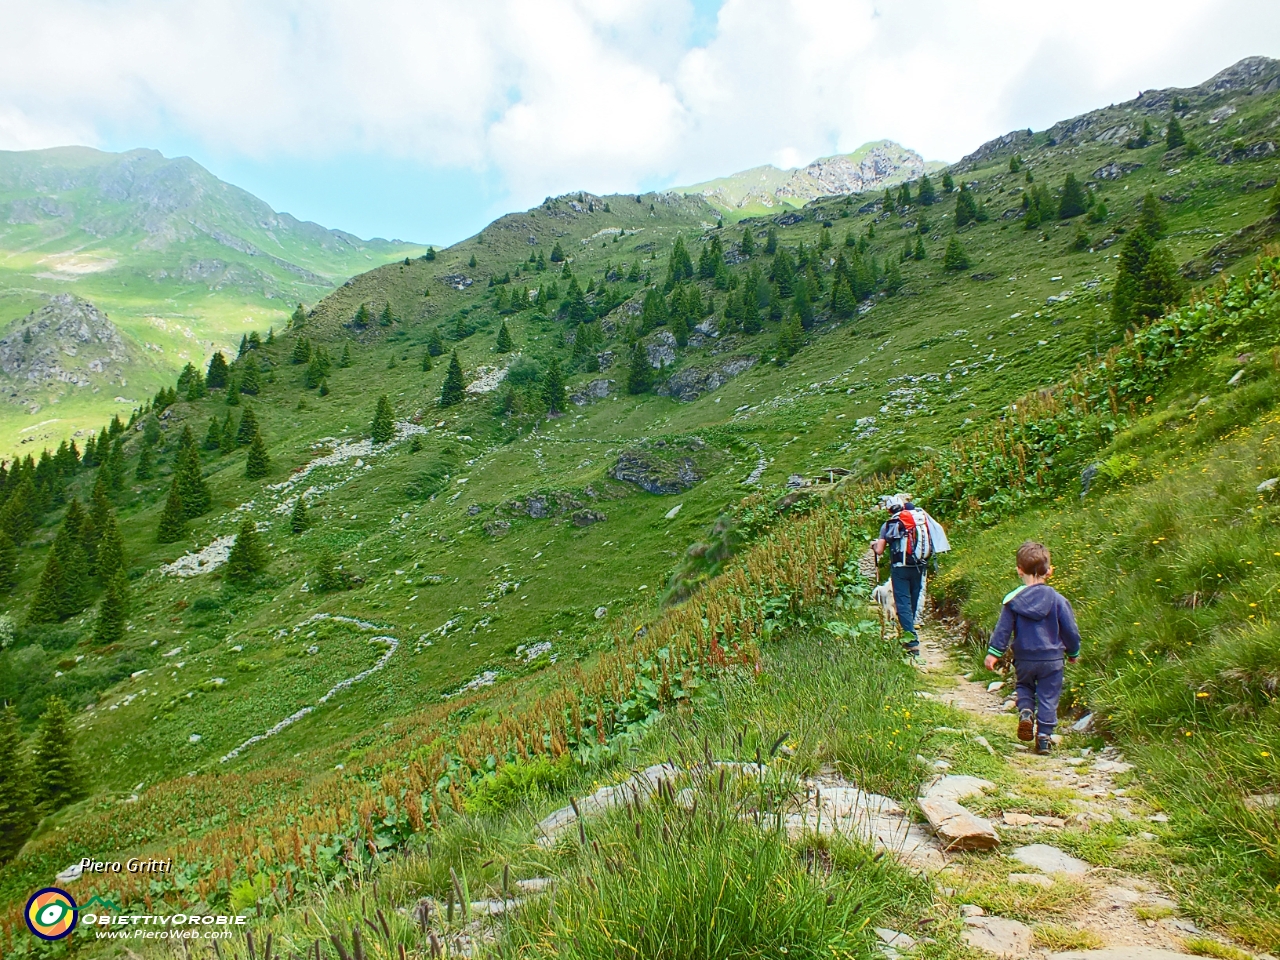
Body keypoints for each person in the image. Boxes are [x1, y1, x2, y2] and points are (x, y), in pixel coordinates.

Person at [983, 541, 1081, 755]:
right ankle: (1044, 738)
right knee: (1048, 694)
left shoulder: (1013, 601)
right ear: (1049, 571)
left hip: (1025, 657)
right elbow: (1070, 630)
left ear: (1019, 570)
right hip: (1052, 659)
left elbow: (1003, 630)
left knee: (1025, 687)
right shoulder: (1058, 600)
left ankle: (1026, 712)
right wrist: (1073, 652)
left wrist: (993, 653)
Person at [872, 494, 948, 663]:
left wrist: (874, 545)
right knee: (914, 597)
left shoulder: (889, 524)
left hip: (900, 568)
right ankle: (909, 628)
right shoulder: (919, 519)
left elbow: (879, 550)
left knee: (903, 602)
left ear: (889, 510)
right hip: (920, 565)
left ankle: (911, 641)